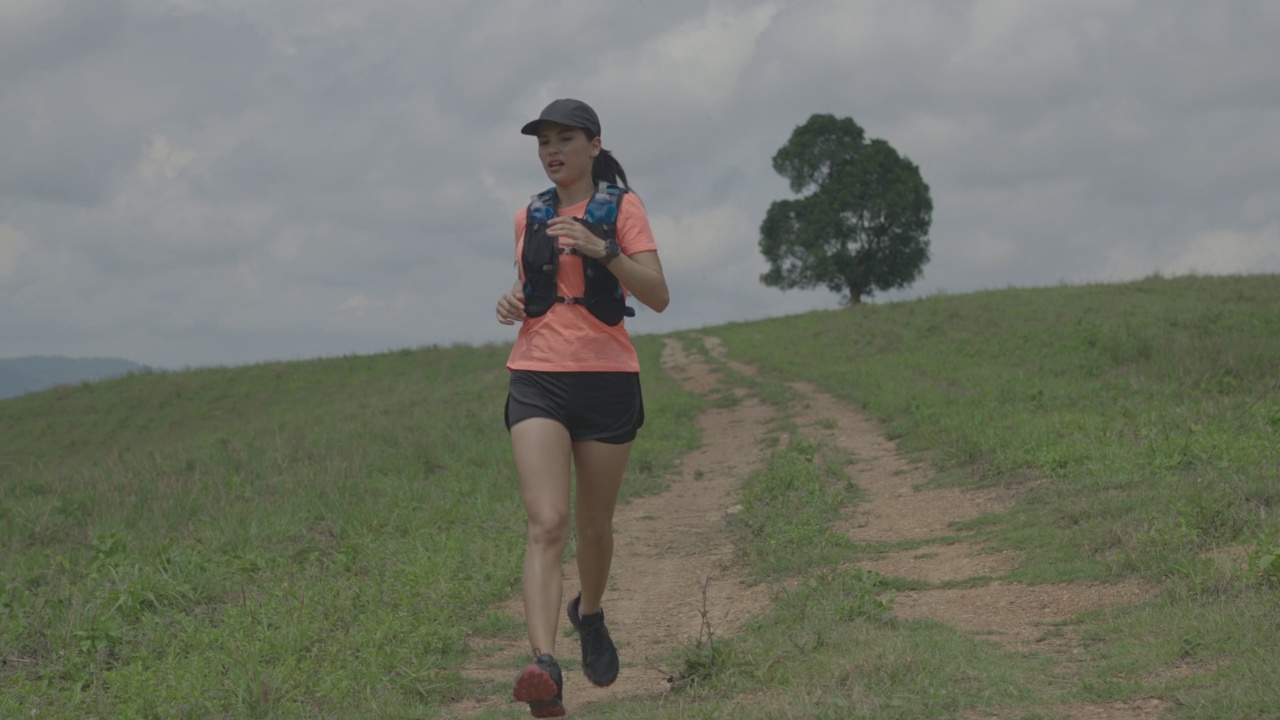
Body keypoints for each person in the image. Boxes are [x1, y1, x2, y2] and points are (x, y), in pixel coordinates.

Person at [496, 98, 669, 718]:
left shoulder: (622, 209)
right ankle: (543, 664)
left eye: (564, 139)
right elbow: (535, 286)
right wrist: (512, 301)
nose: (551, 151)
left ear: (594, 145)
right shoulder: (529, 215)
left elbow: (657, 296)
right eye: (544, 142)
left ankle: (588, 613)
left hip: (607, 378)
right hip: (537, 374)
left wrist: (604, 250)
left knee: (595, 528)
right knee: (546, 522)